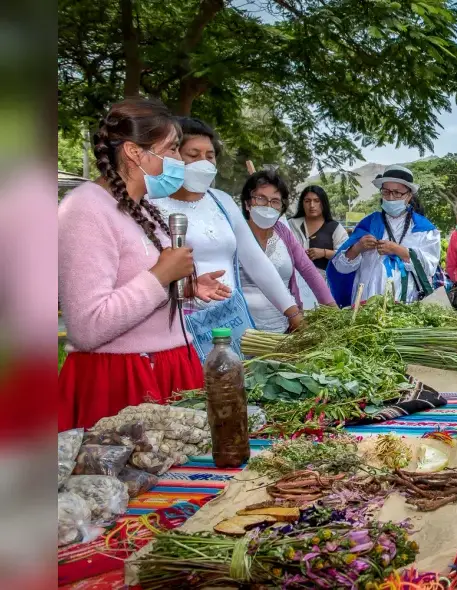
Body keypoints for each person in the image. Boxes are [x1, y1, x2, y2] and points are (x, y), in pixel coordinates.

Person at [58, 98, 231, 430]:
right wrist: (159, 277)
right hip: (123, 381)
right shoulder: (85, 209)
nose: (180, 161)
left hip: (169, 367)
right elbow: (87, 327)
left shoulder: (143, 207)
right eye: (172, 150)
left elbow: (136, 286)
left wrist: (185, 286)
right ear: (135, 152)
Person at [157, 117, 302, 356]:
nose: (203, 163)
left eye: (210, 156)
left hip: (230, 322)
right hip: (179, 326)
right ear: (173, 156)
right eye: (193, 155)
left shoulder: (221, 201)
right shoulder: (153, 204)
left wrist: (292, 312)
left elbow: (256, 261)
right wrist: (187, 288)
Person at [328, 165, 440, 306]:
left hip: (407, 302)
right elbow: (340, 267)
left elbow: (429, 268)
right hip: (367, 301)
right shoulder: (368, 224)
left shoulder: (424, 228)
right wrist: (357, 248)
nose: (391, 198)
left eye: (397, 193)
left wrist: (399, 250)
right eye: (386, 192)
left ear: (409, 195)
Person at [239, 171, 335, 332]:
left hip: (283, 329)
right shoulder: (234, 234)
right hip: (241, 330)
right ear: (248, 203)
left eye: (275, 201)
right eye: (261, 198)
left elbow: (309, 271)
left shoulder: (283, 232)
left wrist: (334, 312)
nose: (268, 206)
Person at [288, 185, 349, 271]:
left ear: (323, 203)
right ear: (302, 203)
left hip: (324, 281)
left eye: (317, 201)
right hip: (294, 279)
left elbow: (346, 257)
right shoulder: (291, 225)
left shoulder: (335, 228)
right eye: (307, 201)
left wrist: (324, 253)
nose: (312, 205)